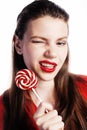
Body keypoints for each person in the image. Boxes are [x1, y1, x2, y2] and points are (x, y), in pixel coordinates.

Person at [0, 0, 87, 130]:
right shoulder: (3, 109)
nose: (52, 53)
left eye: (60, 43)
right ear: (18, 45)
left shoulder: (84, 87)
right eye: (39, 41)